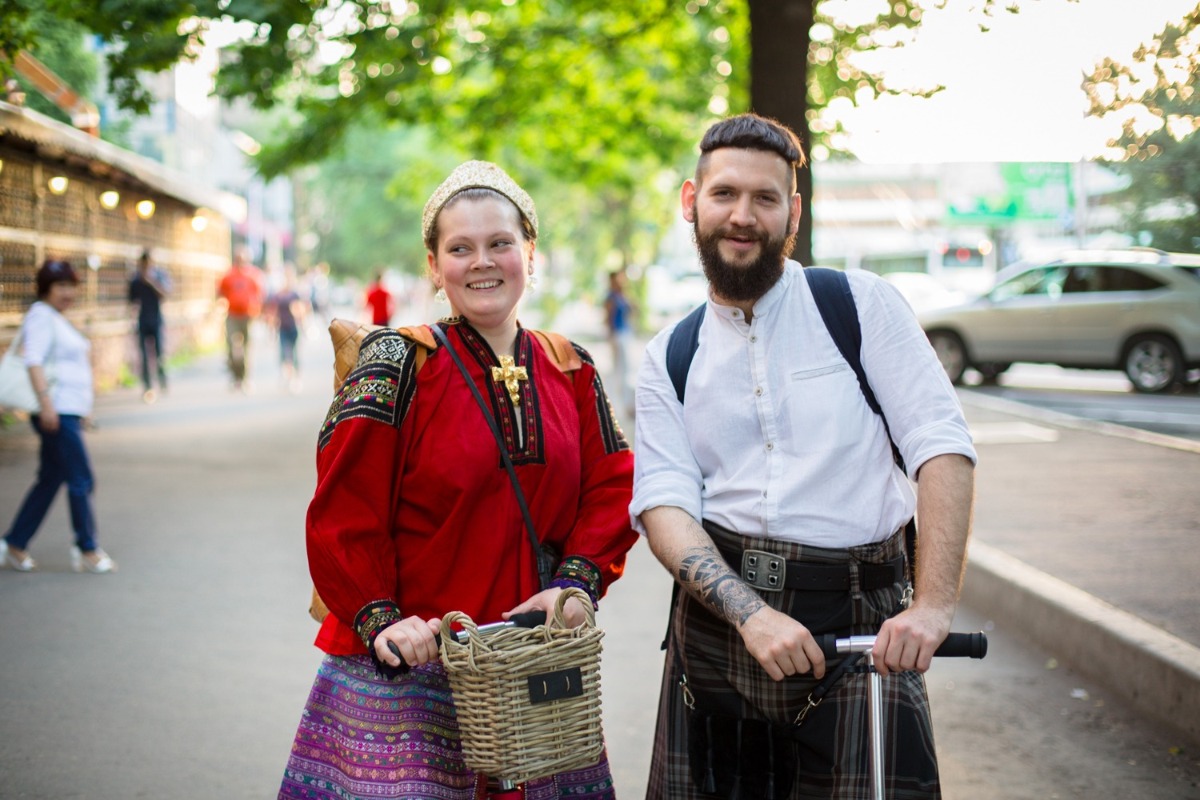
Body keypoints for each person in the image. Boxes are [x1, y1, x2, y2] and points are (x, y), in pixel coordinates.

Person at [631, 114, 977, 799]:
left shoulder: (860, 305)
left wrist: (934, 606)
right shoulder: (669, 353)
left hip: (861, 625)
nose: (743, 215)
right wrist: (750, 615)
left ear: (794, 211)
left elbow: (941, 448)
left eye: (766, 198)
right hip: (718, 632)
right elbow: (664, 504)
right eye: (724, 193)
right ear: (689, 201)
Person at [279, 161, 639, 800]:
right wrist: (381, 619)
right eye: (460, 247)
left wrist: (577, 586)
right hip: (409, 664)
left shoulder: (571, 367)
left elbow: (611, 489)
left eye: (500, 243)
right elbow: (342, 509)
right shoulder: (398, 363)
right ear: (434, 264)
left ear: (530, 251)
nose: (483, 262)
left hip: (528, 667)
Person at [1, 260, 117, 574]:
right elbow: (33, 362)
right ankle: (87, 547)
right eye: (60, 286)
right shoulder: (41, 316)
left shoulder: (56, 318)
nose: (68, 292)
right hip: (56, 411)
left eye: (71, 285)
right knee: (80, 477)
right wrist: (47, 405)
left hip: (67, 411)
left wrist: (82, 410)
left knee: (51, 478)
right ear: (46, 288)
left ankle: (14, 543)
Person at [216, 246, 265, 391]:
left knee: (247, 348)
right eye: (239, 258)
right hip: (232, 315)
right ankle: (235, 376)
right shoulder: (228, 275)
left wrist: (260, 312)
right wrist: (218, 307)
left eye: (243, 259)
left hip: (249, 316)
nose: (241, 261)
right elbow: (220, 293)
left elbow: (260, 295)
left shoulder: (254, 274)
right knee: (231, 346)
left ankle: (245, 378)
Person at [127, 248, 170, 403]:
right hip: (142, 321)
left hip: (157, 320)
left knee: (159, 354)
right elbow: (131, 301)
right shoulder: (135, 279)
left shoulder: (159, 276)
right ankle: (148, 386)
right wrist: (131, 319)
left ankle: (162, 379)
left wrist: (151, 282)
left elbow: (165, 294)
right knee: (144, 356)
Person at [267, 268, 307, 392]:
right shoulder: (278, 295)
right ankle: (286, 377)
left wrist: (304, 325)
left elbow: (301, 310)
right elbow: (273, 313)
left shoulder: (295, 294)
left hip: (293, 327)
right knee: (284, 353)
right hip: (282, 328)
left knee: (294, 353)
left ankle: (296, 378)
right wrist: (271, 329)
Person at [603, 268, 635, 419]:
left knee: (625, 370)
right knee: (620, 371)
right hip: (617, 336)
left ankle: (627, 405)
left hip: (625, 334)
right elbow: (608, 318)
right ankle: (619, 407)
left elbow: (633, 310)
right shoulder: (611, 297)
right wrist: (611, 337)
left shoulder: (621, 295)